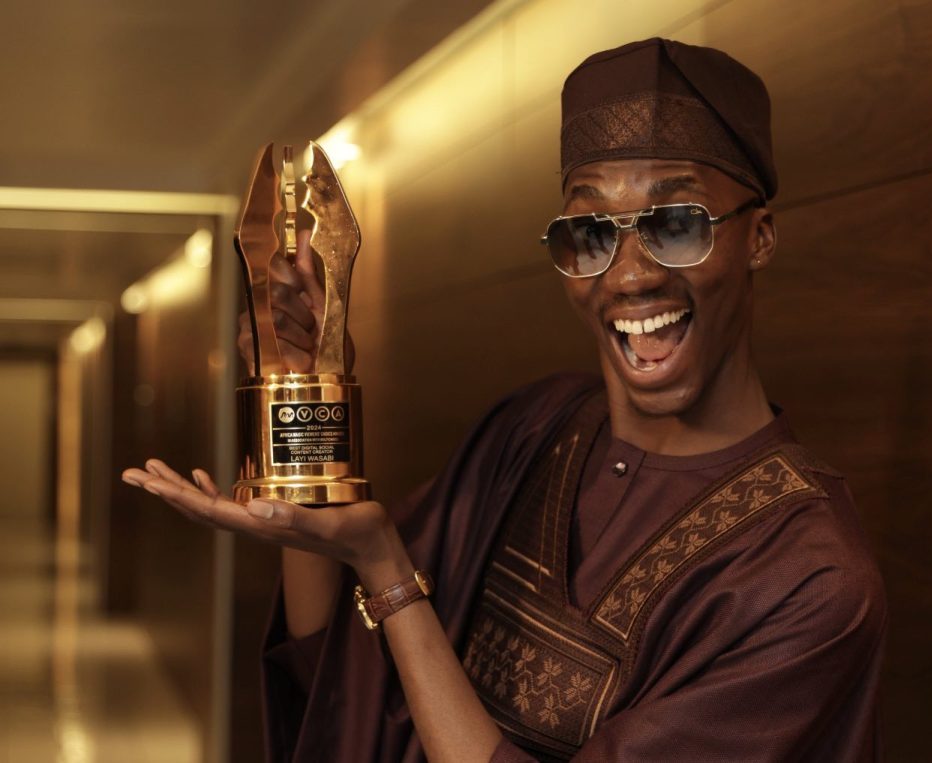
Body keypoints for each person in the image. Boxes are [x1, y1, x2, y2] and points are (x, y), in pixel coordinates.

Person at [123, 38, 887, 762]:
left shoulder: (810, 578)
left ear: (758, 238)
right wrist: (309, 406)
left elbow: (385, 594)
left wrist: (386, 568)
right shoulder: (536, 429)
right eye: (590, 231)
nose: (626, 277)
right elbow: (344, 678)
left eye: (675, 224)